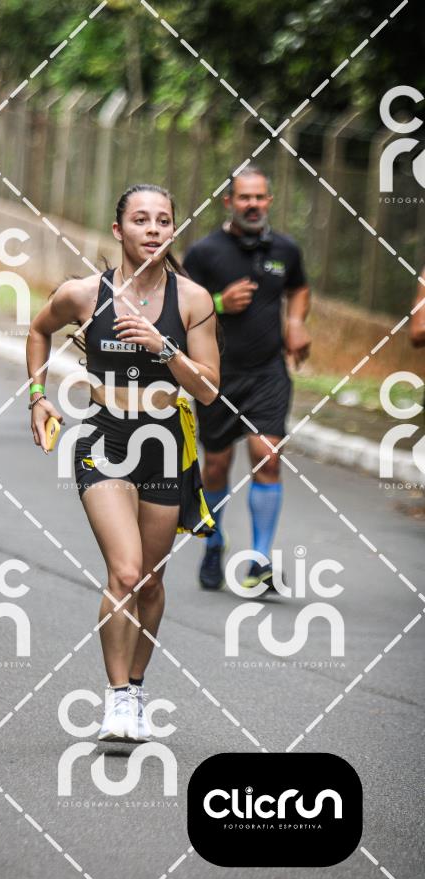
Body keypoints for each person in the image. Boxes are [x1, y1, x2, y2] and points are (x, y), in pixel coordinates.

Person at [27, 184, 220, 741]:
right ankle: (115, 699)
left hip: (164, 445)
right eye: (141, 220)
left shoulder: (193, 301)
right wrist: (37, 397)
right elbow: (38, 331)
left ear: (173, 230)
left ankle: (135, 688)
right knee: (127, 573)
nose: (153, 229)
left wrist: (165, 348)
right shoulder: (85, 295)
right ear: (119, 230)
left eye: (163, 220)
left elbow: (209, 390)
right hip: (105, 439)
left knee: (152, 583)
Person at [183, 166, 311, 592]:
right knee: (216, 465)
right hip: (217, 375)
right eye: (244, 197)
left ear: (269, 200)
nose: (253, 205)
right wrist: (219, 302)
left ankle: (258, 561)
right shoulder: (204, 253)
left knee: (267, 457)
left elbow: (299, 287)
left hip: (268, 373)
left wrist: (296, 322)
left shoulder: (285, 250)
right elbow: (180, 306)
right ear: (229, 202)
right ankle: (214, 543)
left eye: (259, 197)